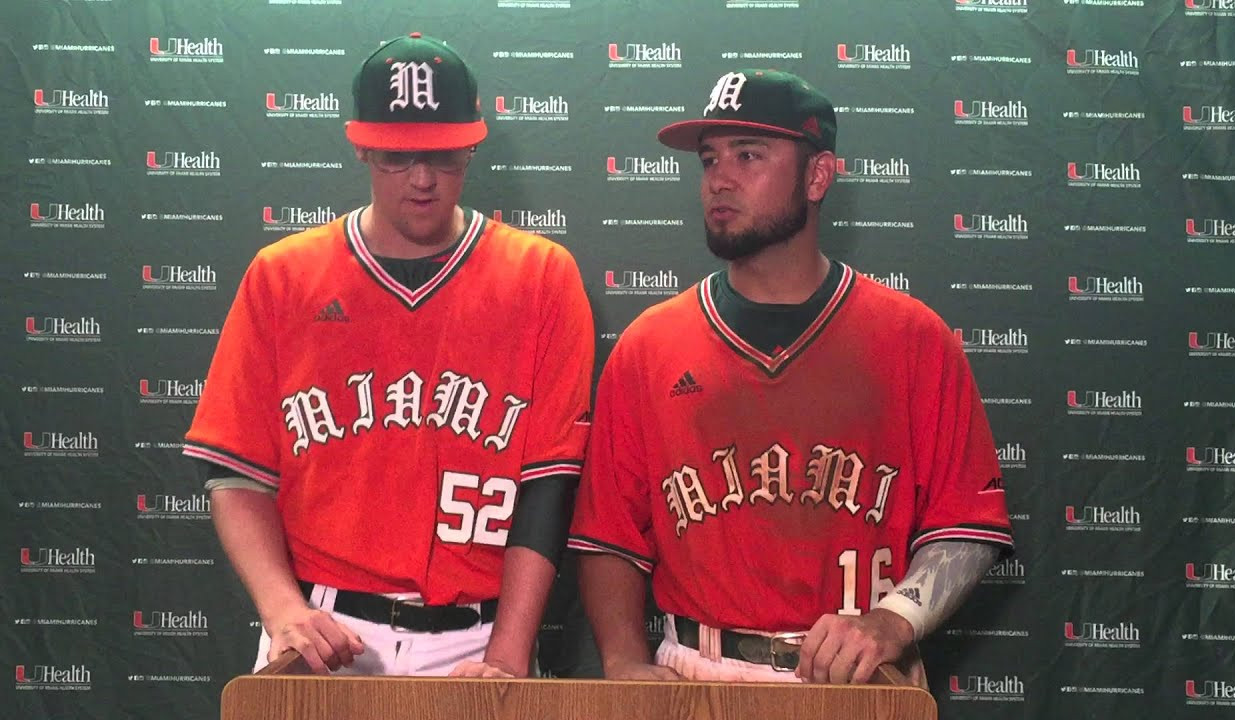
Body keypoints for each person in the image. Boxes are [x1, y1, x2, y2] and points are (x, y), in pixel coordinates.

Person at [568, 69, 1013, 686]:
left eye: (749, 155)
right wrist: (621, 659)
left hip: (862, 677)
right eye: (708, 160)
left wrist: (891, 622)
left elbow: (966, 527)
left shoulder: (911, 338)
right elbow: (610, 536)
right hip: (699, 672)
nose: (720, 178)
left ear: (818, 175)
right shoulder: (649, 345)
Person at [183, 32, 593, 677]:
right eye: (399, 157)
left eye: (445, 155)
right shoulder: (283, 276)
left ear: (473, 143)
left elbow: (547, 486)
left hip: (479, 637)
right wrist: (281, 609)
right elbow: (237, 475)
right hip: (324, 633)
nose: (424, 180)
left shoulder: (541, 276)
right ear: (362, 144)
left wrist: (509, 659)